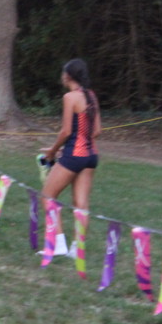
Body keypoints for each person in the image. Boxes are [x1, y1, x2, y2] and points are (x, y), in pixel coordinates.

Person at [40, 58, 102, 256]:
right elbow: (97, 131)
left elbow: (66, 131)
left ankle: (58, 245)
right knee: (81, 204)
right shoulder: (91, 96)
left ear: (67, 76)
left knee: (47, 197)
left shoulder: (70, 97)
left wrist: (53, 151)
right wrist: (73, 146)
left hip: (75, 155)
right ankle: (77, 248)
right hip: (91, 156)